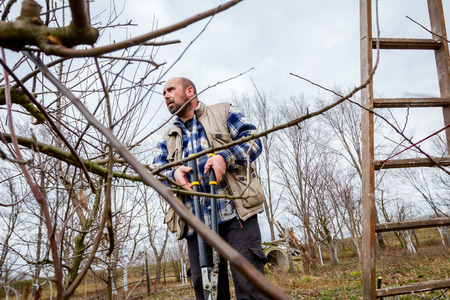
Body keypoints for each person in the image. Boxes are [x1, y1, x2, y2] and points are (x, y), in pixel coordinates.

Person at [152, 77, 270, 300]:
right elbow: (157, 173)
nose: (166, 96)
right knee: (208, 293)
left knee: (251, 287)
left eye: (170, 90)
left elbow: (253, 140)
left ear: (189, 91)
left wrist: (226, 157)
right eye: (163, 93)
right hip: (197, 224)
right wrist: (173, 174)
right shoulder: (167, 138)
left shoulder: (223, 111)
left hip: (236, 215)